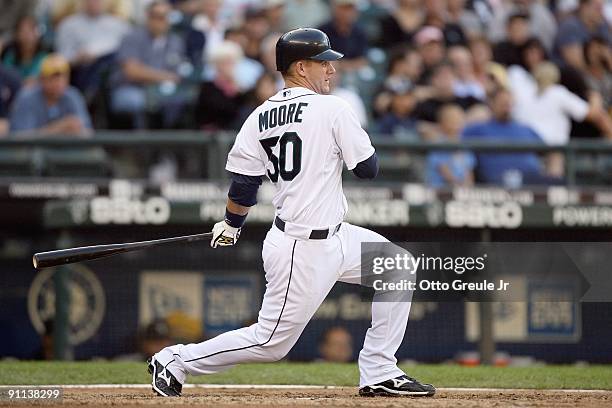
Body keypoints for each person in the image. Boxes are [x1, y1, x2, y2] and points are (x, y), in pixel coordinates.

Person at [148, 27, 436, 398]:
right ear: (301, 68)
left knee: (397, 266)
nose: (331, 70)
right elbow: (368, 168)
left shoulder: (258, 116)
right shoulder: (334, 108)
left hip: (335, 235)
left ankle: (379, 369)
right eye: (323, 64)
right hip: (302, 246)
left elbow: (244, 186)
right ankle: (176, 359)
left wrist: (232, 223)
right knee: (271, 343)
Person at [461, 87, 552, 186]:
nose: (506, 106)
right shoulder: (478, 128)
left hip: (532, 186)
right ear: (491, 103)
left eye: (508, 103)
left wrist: (552, 174)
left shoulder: (525, 129)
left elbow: (552, 151)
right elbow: (453, 140)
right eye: (502, 102)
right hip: (492, 187)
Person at [55, 0, 129, 98]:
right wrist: (77, 58)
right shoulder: (68, 25)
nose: (94, 3)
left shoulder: (118, 25)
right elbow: (60, 58)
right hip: (81, 71)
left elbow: (129, 50)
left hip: (112, 70)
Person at [9, 54, 92, 136]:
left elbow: (88, 133)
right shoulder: (27, 97)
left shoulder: (73, 96)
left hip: (67, 149)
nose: (58, 83)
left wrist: (77, 129)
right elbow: (21, 140)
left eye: (62, 78)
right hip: (35, 149)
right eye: (53, 78)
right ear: (42, 79)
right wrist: (60, 127)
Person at [426, 104, 475, 187]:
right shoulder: (438, 143)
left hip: (462, 190)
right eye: (452, 119)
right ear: (442, 122)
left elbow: (468, 170)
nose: (456, 122)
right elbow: (443, 170)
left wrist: (468, 186)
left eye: (459, 118)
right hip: (441, 190)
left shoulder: (464, 144)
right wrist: (458, 185)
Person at [1, 15, 48, 84]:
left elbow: (35, 80)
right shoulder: (10, 54)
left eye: (31, 31)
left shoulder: (44, 56)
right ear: (17, 34)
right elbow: (5, 76)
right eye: (23, 31)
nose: (27, 36)